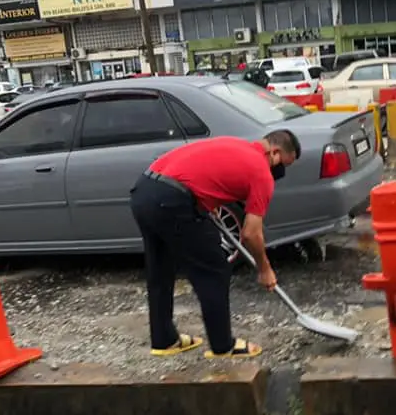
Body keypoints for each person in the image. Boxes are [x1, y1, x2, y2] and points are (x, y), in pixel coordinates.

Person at [129, 131, 301, 358]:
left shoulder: (235, 143)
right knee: (214, 269)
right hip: (172, 200)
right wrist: (264, 269)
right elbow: (251, 233)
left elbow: (204, 175)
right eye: (283, 164)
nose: (280, 172)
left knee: (160, 268)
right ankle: (223, 345)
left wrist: (205, 205)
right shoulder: (261, 172)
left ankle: (164, 340)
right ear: (275, 152)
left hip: (144, 190)